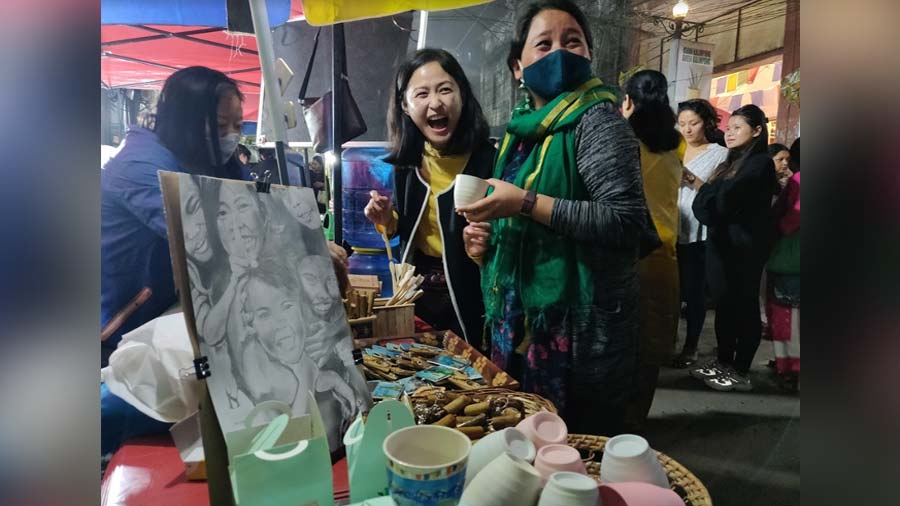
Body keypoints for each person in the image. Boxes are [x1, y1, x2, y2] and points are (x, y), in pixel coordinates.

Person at [458, 0, 658, 434]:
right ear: (518, 66)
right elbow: (519, 225)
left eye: (573, 42)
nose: (560, 54)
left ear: (589, 55)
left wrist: (525, 202)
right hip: (521, 323)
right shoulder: (519, 133)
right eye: (543, 44)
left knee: (573, 456)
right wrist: (484, 246)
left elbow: (625, 222)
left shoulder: (599, 123)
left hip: (579, 335)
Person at [100, 66, 249, 456]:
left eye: (238, 124)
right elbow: (211, 237)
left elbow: (253, 205)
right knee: (127, 414)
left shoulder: (201, 157)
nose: (232, 136)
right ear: (186, 119)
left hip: (163, 322)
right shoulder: (142, 166)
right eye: (220, 124)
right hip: (117, 327)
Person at [364, 48, 495, 349]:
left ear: (462, 94)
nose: (435, 103)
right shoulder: (406, 165)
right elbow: (403, 225)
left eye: (445, 89)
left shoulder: (489, 162)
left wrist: (485, 246)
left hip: (470, 290)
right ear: (406, 106)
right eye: (421, 94)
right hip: (418, 290)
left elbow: (507, 241)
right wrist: (386, 219)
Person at [689, 104, 778, 392]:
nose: (730, 133)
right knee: (724, 306)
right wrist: (712, 200)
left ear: (756, 130)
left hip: (743, 248)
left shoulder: (759, 163)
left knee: (744, 305)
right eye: (728, 128)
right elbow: (707, 199)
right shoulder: (730, 161)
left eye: (737, 128)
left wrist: (712, 200)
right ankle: (724, 361)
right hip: (720, 243)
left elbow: (723, 201)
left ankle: (741, 370)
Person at [620, 70, 682, 427]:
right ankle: (637, 425)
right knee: (650, 351)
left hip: (629, 253)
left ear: (628, 101)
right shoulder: (676, 145)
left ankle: (615, 429)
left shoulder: (622, 143)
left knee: (622, 348)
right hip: (664, 258)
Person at [672, 99, 729, 367]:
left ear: (706, 122)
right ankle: (666, 341)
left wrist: (691, 178)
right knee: (671, 291)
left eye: (693, 123)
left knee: (694, 292)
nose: (687, 129)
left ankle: (691, 346)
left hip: (699, 233)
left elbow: (718, 193)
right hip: (670, 228)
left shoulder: (719, 153)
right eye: (682, 123)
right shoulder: (673, 148)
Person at [765, 138, 800, 391]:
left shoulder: (799, 181)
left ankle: (789, 368)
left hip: (791, 259)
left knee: (787, 314)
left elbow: (789, 221)